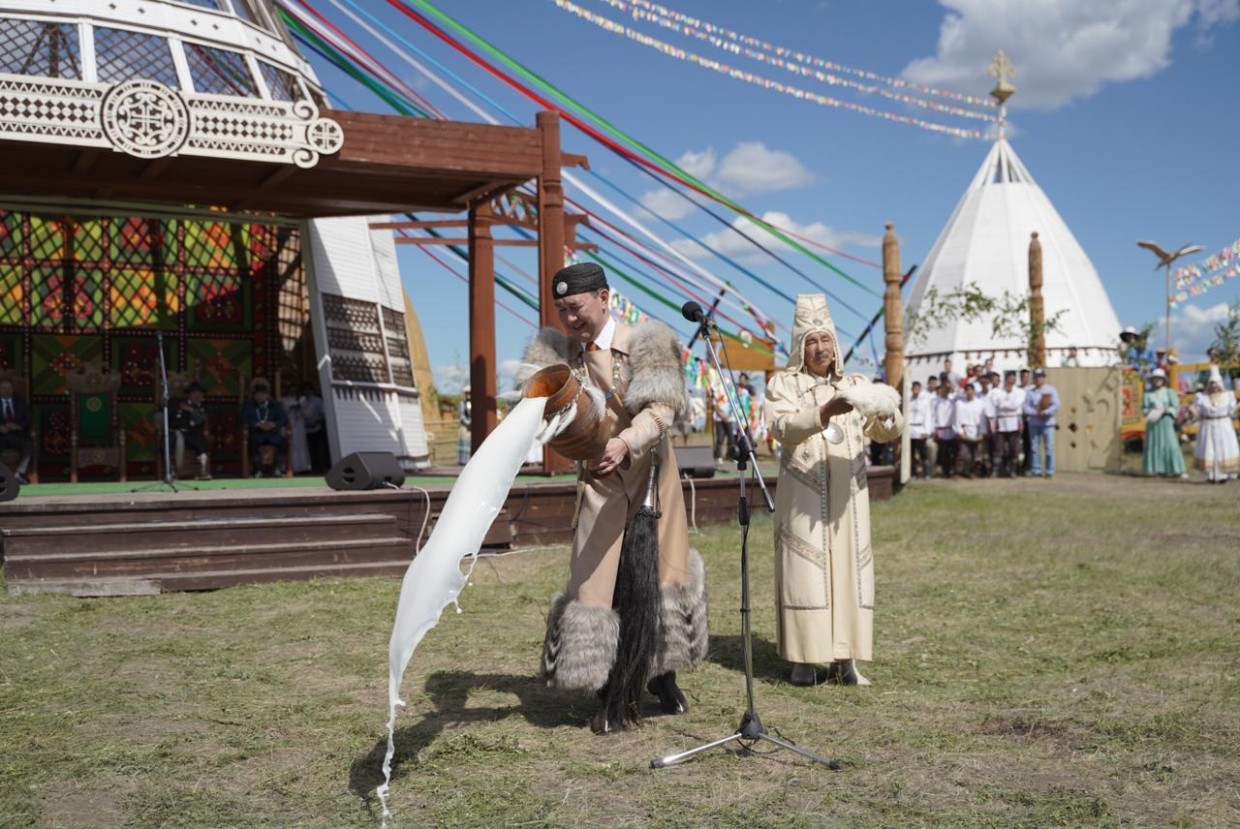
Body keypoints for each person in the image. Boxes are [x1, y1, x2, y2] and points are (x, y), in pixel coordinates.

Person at [519, 262, 707, 734]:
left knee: (658, 576)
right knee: (598, 584)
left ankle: (661, 674)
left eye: (577, 307)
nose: (570, 319)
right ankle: (610, 687)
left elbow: (663, 408)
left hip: (650, 482)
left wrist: (628, 441)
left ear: (604, 298)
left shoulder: (648, 344)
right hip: (600, 488)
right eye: (562, 310)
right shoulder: (560, 357)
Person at [765, 294, 902, 687]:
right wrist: (823, 413)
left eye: (825, 339)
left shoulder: (856, 384)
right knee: (805, 571)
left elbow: (884, 430)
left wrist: (888, 410)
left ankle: (846, 659)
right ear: (799, 347)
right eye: (811, 341)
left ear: (835, 344)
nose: (820, 348)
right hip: (803, 491)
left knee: (849, 571)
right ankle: (805, 659)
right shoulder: (783, 385)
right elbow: (781, 429)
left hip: (848, 498)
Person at [1192, 367, 1239, 483]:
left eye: (1216, 383)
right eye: (1212, 383)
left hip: (1223, 425)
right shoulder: (1202, 397)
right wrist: (1193, 411)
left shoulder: (1228, 396)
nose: (1214, 386)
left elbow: (1232, 411)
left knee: (1224, 448)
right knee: (1209, 449)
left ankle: (1224, 475)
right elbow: (1197, 412)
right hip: (1208, 425)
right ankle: (1210, 475)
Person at [1142, 368, 1185, 478]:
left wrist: (1167, 411)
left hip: (1166, 421)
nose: (1157, 381)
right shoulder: (1148, 394)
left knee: (1171, 444)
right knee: (1155, 444)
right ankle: (1157, 469)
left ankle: (1177, 470)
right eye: (1155, 379)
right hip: (1154, 422)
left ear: (1163, 380)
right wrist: (1151, 412)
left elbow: (1175, 407)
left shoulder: (1169, 392)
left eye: (1159, 379)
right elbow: (1144, 409)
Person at [243, 381, 288, 477]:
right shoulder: (250, 406)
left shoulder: (276, 405)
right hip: (258, 433)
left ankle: (277, 469)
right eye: (257, 395)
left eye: (262, 394)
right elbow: (245, 418)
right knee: (252, 444)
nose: (260, 397)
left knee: (282, 443)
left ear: (267, 395)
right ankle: (257, 470)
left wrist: (274, 424)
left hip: (273, 433)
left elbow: (283, 418)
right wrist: (257, 424)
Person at [168, 381, 210, 480]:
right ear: (189, 395)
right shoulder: (176, 403)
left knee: (200, 440)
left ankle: (202, 469)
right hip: (175, 432)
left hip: (191, 433)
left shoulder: (201, 407)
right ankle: (171, 469)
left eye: (199, 394)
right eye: (194, 394)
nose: (197, 396)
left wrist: (190, 410)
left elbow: (200, 420)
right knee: (170, 440)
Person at [1023, 369, 1059, 478]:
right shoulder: (1030, 392)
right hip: (1034, 422)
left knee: (1049, 447)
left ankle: (1049, 470)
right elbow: (1025, 407)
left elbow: (1056, 405)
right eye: (1036, 377)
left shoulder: (1051, 390)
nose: (1038, 379)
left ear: (1044, 378)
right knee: (1034, 448)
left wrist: (1046, 412)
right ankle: (1036, 470)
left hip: (1047, 423)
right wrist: (1036, 412)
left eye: (1040, 376)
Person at [991, 371, 1026, 477]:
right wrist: (1008, 403)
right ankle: (996, 470)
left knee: (1014, 448)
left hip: (1014, 422)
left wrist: (1005, 403)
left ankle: (1013, 470)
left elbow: (1015, 405)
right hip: (1001, 422)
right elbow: (997, 404)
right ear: (1005, 380)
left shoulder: (1020, 392)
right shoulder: (997, 391)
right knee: (999, 448)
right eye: (1010, 379)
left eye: (1013, 379)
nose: (1011, 381)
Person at [0, 378, 33, 484]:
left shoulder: (20, 403)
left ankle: (19, 474)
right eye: (3, 388)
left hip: (17, 435)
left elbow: (28, 419)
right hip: (1, 436)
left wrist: (18, 426)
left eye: (9, 388)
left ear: (13, 390)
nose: (6, 390)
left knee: (28, 444)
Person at [953, 382, 986, 479]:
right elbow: (957, 419)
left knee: (976, 455)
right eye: (967, 390)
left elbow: (982, 420)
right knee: (963, 454)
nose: (969, 392)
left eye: (971, 390)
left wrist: (982, 433)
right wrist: (960, 432)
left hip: (976, 431)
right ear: (964, 392)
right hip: (965, 431)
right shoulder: (959, 403)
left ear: (974, 391)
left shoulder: (980, 403)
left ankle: (971, 472)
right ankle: (958, 472)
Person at [930, 377, 958, 478]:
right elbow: (932, 416)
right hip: (940, 430)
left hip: (951, 429)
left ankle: (953, 470)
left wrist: (952, 386)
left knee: (954, 452)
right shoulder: (935, 401)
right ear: (940, 389)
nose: (945, 391)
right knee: (943, 452)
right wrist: (933, 430)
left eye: (947, 389)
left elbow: (960, 393)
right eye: (944, 388)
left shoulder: (953, 400)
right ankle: (946, 472)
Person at [907, 380, 932, 479]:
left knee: (922, 453)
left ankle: (926, 473)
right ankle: (913, 473)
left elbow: (927, 417)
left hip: (920, 429)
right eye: (914, 388)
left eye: (918, 388)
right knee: (911, 453)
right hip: (910, 429)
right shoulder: (908, 401)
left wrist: (926, 432)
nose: (916, 390)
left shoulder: (924, 402)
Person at [457, 388, 472, 465]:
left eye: (469, 393)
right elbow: (461, 415)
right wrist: (468, 423)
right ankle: (463, 461)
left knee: (470, 443)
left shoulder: (474, 404)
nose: (468, 395)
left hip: (471, 427)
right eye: (467, 393)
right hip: (464, 426)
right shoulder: (462, 404)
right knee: (464, 442)